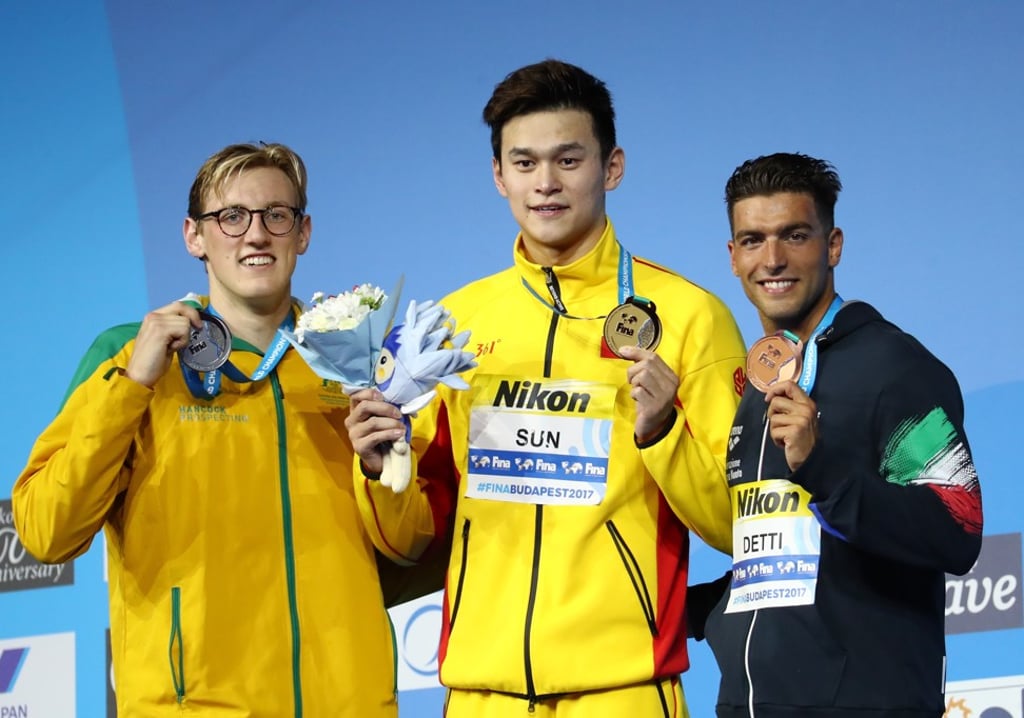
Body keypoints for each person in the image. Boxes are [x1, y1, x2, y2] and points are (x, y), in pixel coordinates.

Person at [345, 59, 747, 717]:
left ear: (611, 167)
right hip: (481, 696)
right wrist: (377, 464)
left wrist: (664, 434)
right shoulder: (447, 325)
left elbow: (738, 524)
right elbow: (408, 538)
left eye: (568, 160)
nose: (546, 184)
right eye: (525, 163)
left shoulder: (689, 316)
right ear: (499, 175)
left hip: (624, 693)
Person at [13, 142, 421, 717]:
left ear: (302, 233)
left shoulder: (356, 362)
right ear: (193, 236)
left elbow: (411, 549)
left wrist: (383, 472)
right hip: (195, 704)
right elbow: (46, 531)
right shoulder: (128, 356)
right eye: (230, 217)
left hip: (348, 701)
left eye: (276, 215)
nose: (255, 235)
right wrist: (133, 387)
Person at [701, 152, 983, 717]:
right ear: (733, 257)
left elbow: (958, 528)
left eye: (795, 235)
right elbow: (790, 560)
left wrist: (822, 467)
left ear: (833, 246)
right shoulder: (761, 380)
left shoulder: (895, 367)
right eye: (753, 240)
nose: (773, 259)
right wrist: (682, 609)